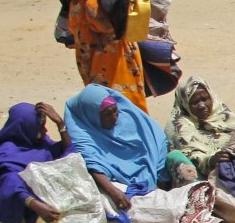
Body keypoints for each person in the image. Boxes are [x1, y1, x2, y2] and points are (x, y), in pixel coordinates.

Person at [60, 0, 148, 112]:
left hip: (115, 56)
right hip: (89, 57)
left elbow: (121, 9)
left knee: (122, 108)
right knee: (101, 110)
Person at [62, 84, 167, 215]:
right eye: (107, 114)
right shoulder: (84, 135)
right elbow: (92, 164)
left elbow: (157, 138)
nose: (115, 117)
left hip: (155, 175)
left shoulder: (128, 116)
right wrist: (112, 191)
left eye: (115, 110)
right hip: (121, 184)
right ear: (92, 116)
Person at [0, 103, 72, 223]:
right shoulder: (6, 152)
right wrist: (34, 204)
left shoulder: (41, 144)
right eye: (40, 127)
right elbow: (9, 182)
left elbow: (70, 157)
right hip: (7, 212)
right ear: (26, 127)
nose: (45, 130)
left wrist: (60, 124)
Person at [165, 75, 235, 177]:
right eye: (195, 102)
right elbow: (189, 155)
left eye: (204, 99)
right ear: (185, 103)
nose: (202, 106)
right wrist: (210, 160)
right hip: (200, 176)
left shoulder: (222, 114)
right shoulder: (180, 127)